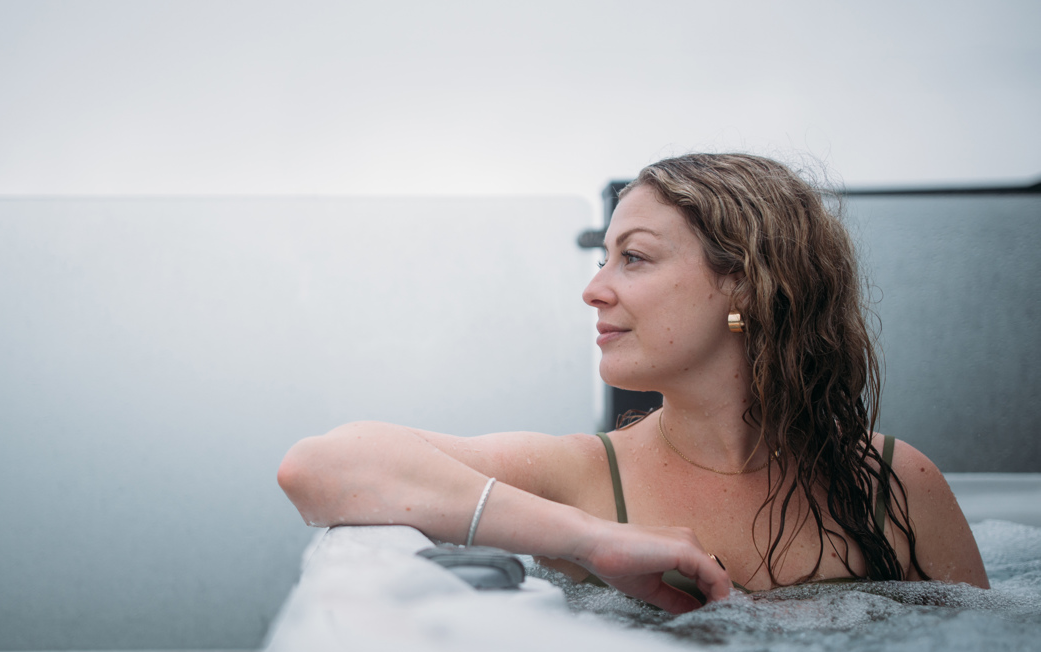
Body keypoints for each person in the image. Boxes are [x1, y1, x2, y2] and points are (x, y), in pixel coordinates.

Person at [276, 153, 989, 614]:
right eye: (603, 259)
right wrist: (593, 540)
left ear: (744, 280)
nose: (594, 290)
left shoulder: (892, 481)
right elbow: (319, 468)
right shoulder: (582, 478)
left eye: (635, 259)